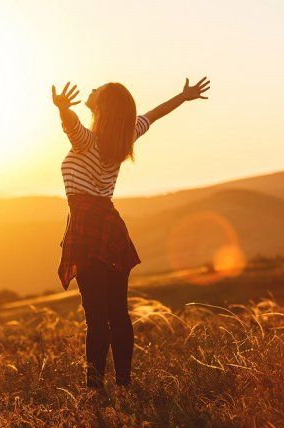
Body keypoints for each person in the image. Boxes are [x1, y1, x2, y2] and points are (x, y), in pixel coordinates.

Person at [51, 77, 210, 389]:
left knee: (97, 318)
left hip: (87, 228)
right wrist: (182, 95)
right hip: (111, 229)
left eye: (97, 89)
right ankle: (123, 384)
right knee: (118, 314)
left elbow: (72, 126)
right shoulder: (124, 136)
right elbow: (155, 114)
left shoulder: (87, 142)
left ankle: (94, 391)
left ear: (101, 105)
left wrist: (62, 110)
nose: (92, 89)